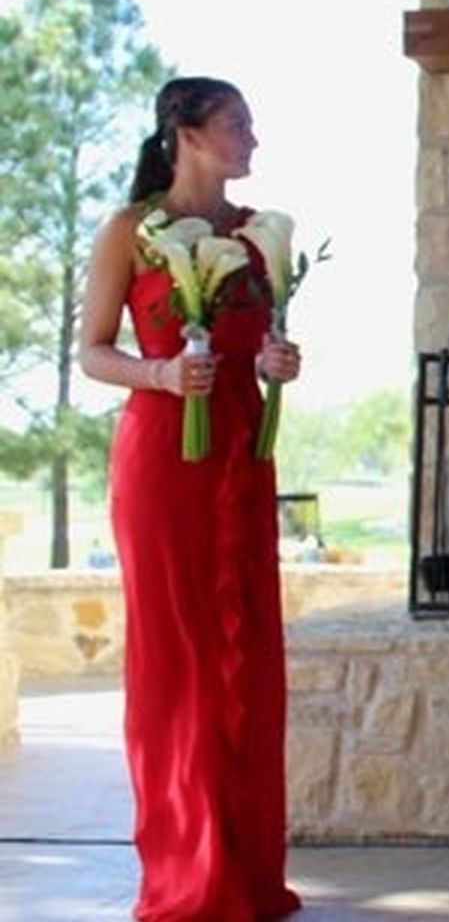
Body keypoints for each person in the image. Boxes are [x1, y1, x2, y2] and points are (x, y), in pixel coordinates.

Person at [77, 76, 304, 921]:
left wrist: (277, 363)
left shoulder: (258, 237)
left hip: (243, 452)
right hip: (164, 457)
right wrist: (162, 374)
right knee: (180, 662)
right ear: (188, 132)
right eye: (238, 123)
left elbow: (261, 343)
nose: (253, 137)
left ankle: (243, 872)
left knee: (247, 657)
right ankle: (185, 875)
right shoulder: (129, 232)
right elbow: (93, 353)